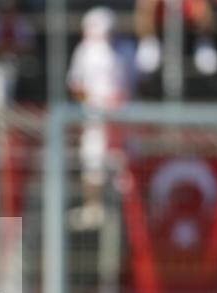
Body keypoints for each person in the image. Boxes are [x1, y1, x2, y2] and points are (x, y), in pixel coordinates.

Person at [67, 7, 131, 230]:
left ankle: (123, 214)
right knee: (92, 163)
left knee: (121, 167)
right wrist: (93, 103)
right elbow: (76, 85)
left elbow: (129, 85)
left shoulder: (124, 50)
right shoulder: (84, 52)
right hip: (95, 120)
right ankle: (94, 209)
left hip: (119, 121)